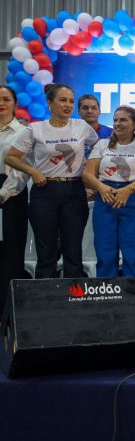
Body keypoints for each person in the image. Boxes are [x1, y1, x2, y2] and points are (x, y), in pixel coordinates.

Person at [5, 84, 98, 279]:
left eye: (71, 101)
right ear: (49, 103)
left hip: (74, 192)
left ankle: (76, 302)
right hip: (44, 191)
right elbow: (11, 157)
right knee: (46, 252)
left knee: (73, 252)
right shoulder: (35, 129)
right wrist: (32, 171)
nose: (68, 105)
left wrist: (90, 174)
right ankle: (43, 304)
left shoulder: (82, 127)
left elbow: (98, 149)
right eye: (62, 100)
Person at [82, 106, 135, 277]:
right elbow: (87, 174)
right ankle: (108, 300)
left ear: (134, 125)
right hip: (105, 198)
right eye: (115, 120)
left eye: (123, 120)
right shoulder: (102, 144)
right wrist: (100, 187)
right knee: (105, 254)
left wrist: (128, 190)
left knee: (134, 255)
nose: (117, 123)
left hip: (134, 198)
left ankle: (134, 300)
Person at [0, 86, 30, 313]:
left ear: (14, 104)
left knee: (11, 252)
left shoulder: (23, 132)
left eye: (6, 99)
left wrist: (4, 193)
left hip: (12, 195)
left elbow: (22, 169)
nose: (1, 103)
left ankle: (8, 311)